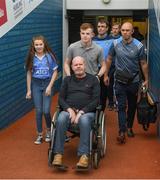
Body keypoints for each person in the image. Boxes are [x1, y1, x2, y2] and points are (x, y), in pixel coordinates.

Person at [52, 56, 100, 168]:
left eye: (80, 64)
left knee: (84, 120)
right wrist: (69, 110)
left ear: (85, 65)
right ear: (72, 67)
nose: (78, 67)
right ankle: (58, 154)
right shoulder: (67, 80)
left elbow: (96, 100)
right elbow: (61, 99)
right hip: (69, 111)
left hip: (87, 113)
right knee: (61, 118)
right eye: (75, 65)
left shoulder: (93, 80)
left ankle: (84, 156)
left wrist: (82, 112)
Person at [105, 22, 148, 144]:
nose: (125, 32)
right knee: (121, 106)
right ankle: (122, 131)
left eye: (127, 30)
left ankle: (129, 127)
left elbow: (143, 63)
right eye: (123, 30)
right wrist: (106, 74)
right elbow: (108, 59)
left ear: (132, 31)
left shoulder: (139, 46)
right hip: (119, 81)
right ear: (120, 31)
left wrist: (146, 79)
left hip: (134, 81)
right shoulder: (115, 44)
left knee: (132, 105)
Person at [25, 35, 58, 145]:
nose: (39, 46)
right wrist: (29, 90)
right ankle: (40, 134)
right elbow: (29, 73)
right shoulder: (31, 57)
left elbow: (55, 72)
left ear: (44, 45)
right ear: (33, 46)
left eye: (41, 44)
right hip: (36, 84)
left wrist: (49, 86)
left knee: (46, 110)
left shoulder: (49, 56)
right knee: (38, 111)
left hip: (47, 84)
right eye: (36, 45)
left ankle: (49, 131)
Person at [93, 18, 113, 111]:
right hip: (93, 70)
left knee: (103, 93)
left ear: (107, 28)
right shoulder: (92, 40)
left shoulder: (112, 40)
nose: (100, 28)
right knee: (93, 92)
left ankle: (101, 112)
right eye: (99, 26)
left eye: (103, 26)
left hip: (107, 70)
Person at [107, 22, 121, 110]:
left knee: (118, 85)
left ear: (119, 29)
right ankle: (111, 103)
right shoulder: (107, 39)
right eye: (113, 28)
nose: (115, 30)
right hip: (109, 66)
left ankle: (117, 103)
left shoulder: (122, 39)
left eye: (116, 28)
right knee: (109, 84)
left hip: (118, 66)